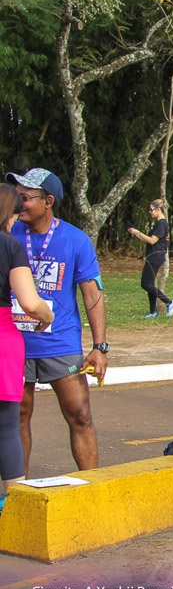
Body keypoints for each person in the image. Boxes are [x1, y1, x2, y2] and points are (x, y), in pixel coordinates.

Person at [6, 168, 108, 477]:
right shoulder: (8, 234)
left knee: (79, 414)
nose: (18, 203)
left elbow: (92, 294)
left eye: (24, 197)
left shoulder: (76, 240)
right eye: (16, 196)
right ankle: (17, 493)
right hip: (16, 343)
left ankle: (91, 488)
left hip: (60, 342)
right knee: (18, 418)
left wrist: (99, 347)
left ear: (48, 201)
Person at [0, 185, 54, 515]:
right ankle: (15, 508)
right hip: (3, 338)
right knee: (6, 426)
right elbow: (30, 303)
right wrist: (46, 317)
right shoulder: (10, 246)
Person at [128, 199, 173, 318]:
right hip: (152, 256)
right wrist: (136, 234)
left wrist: (138, 232)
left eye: (151, 210)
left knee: (145, 284)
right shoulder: (158, 223)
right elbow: (149, 240)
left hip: (156, 256)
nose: (150, 212)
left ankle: (169, 302)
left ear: (158, 209)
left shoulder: (161, 224)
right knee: (149, 283)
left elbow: (152, 240)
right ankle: (152, 312)